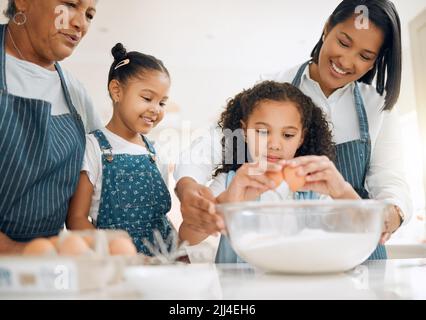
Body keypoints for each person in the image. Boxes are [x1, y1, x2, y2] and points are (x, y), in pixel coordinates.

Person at [174, 0, 411, 260]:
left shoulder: (377, 106)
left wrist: (388, 216)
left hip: (358, 249)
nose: (346, 60)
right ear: (327, 28)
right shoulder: (276, 87)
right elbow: (213, 144)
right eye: (343, 42)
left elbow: (392, 183)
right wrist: (188, 187)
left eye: (365, 56)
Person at [179, 81, 366, 263]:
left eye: (288, 135)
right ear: (244, 131)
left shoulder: (314, 187)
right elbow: (188, 237)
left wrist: (342, 191)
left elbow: (362, 229)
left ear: (301, 138)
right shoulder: (230, 182)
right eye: (262, 132)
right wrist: (230, 200)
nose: (274, 145)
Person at [0, 0, 101, 254]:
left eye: (89, 14)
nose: (80, 23)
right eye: (69, 4)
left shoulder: (75, 93)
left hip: (45, 273)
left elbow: (102, 179)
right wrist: (16, 251)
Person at [67, 43, 174, 255]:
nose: (155, 109)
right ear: (116, 91)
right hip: (116, 265)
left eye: (162, 102)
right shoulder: (93, 147)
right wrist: (116, 253)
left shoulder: (155, 153)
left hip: (161, 264)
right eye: (147, 98)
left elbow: (162, 218)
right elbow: (76, 219)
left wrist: (180, 253)